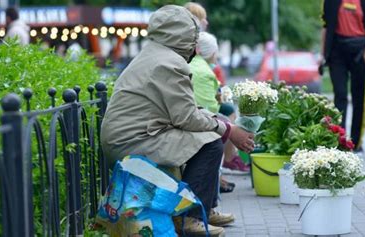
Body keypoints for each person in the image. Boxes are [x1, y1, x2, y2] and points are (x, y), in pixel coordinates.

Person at [100, 5, 254, 236]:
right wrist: (228, 129)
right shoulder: (169, 63)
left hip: (135, 135)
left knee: (212, 130)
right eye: (193, 38)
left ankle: (204, 209)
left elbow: (186, 108)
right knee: (211, 143)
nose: (195, 45)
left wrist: (223, 123)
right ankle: (188, 219)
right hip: (133, 141)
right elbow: (186, 117)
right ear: (183, 37)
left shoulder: (155, 53)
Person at [185, 2, 250, 175]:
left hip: (191, 112)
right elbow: (207, 108)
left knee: (228, 116)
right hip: (193, 116)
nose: (206, 22)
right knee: (226, 122)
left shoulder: (194, 60)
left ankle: (229, 160)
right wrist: (227, 127)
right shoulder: (198, 63)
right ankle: (228, 161)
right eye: (202, 18)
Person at [320, 0, 365, 155]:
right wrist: (323, 55)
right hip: (337, 51)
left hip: (360, 50)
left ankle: (355, 142)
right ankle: (339, 139)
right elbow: (326, 27)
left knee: (358, 98)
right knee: (340, 95)